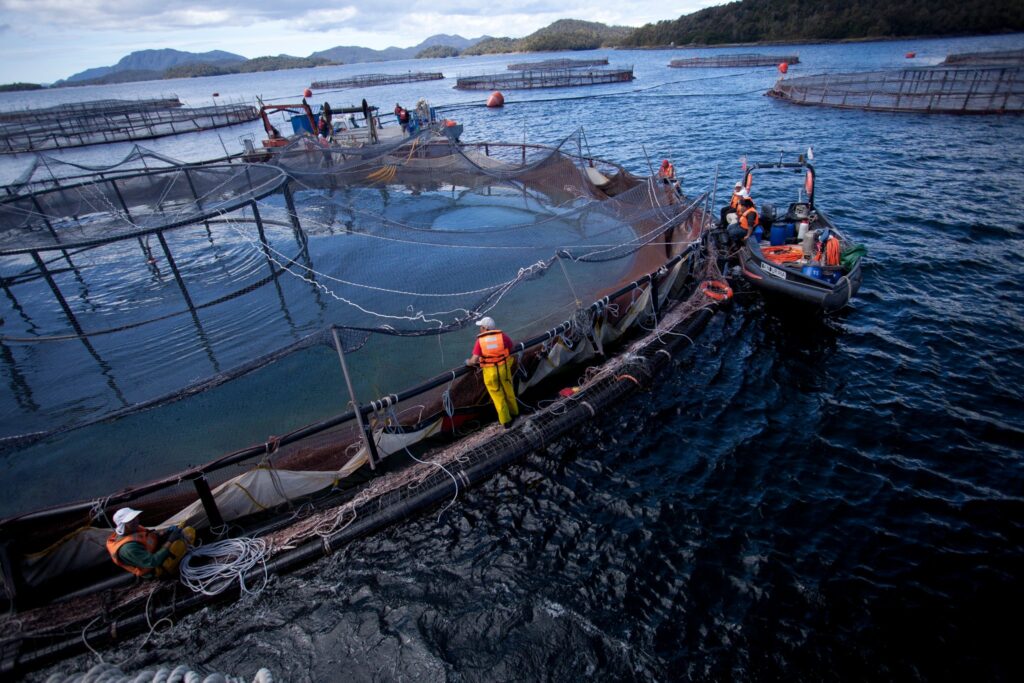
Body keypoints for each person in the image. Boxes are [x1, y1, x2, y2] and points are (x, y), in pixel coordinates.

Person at [106, 507, 195, 579]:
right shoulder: (128, 548)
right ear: (123, 525)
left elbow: (148, 536)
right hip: (156, 568)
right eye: (131, 521)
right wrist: (170, 541)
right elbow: (153, 562)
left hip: (155, 551)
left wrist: (165, 532)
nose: (136, 521)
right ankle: (174, 568)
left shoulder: (133, 529)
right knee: (188, 532)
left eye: (135, 517)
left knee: (181, 533)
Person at [466, 316, 519, 429]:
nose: (480, 328)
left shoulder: (480, 341)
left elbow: (474, 360)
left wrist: (467, 362)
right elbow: (511, 347)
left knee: (498, 396)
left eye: (481, 327)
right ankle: (515, 413)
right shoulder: (502, 336)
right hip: (503, 369)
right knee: (509, 391)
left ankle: (506, 421)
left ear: (485, 328)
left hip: (491, 373)